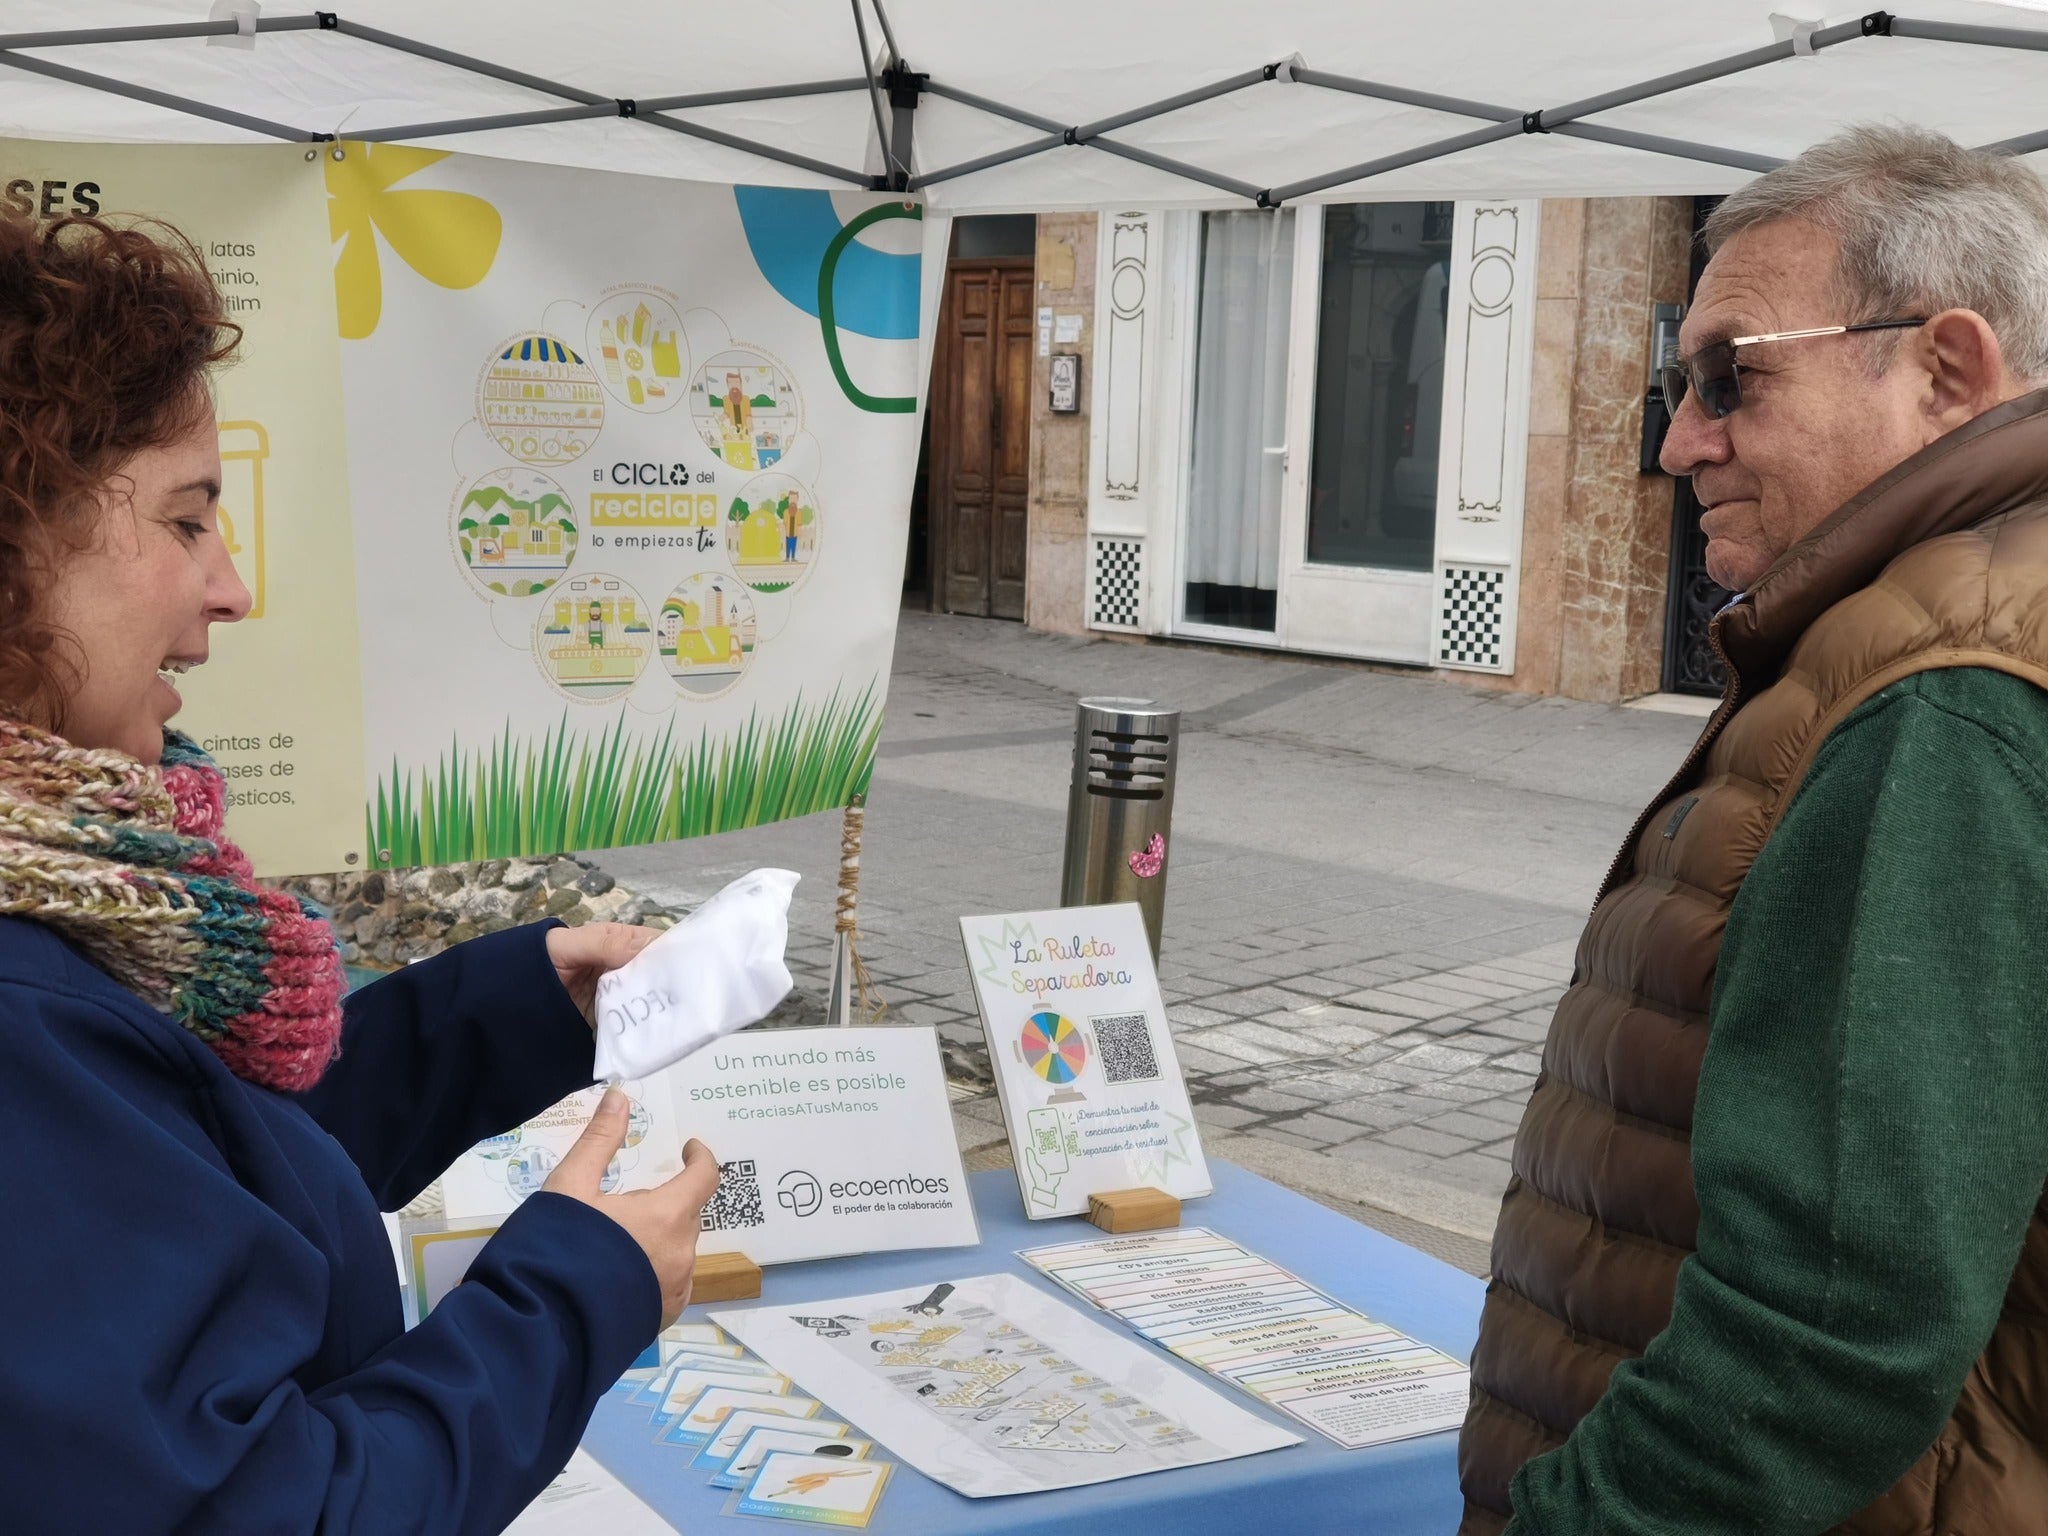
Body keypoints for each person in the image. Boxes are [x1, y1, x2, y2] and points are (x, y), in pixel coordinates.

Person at [0, 210, 722, 1532]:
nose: (233, 589)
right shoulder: (17, 1007)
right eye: (186, 520)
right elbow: (255, 1511)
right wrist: (576, 1295)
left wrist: (516, 1006)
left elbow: (187, 1174)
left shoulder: (72, 891)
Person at [1458, 124, 2048, 1534]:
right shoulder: (1937, 628)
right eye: (1678, 383)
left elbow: (1826, 1330)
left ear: (1946, 369)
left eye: (1732, 375)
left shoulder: (1949, 695)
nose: (1679, 442)